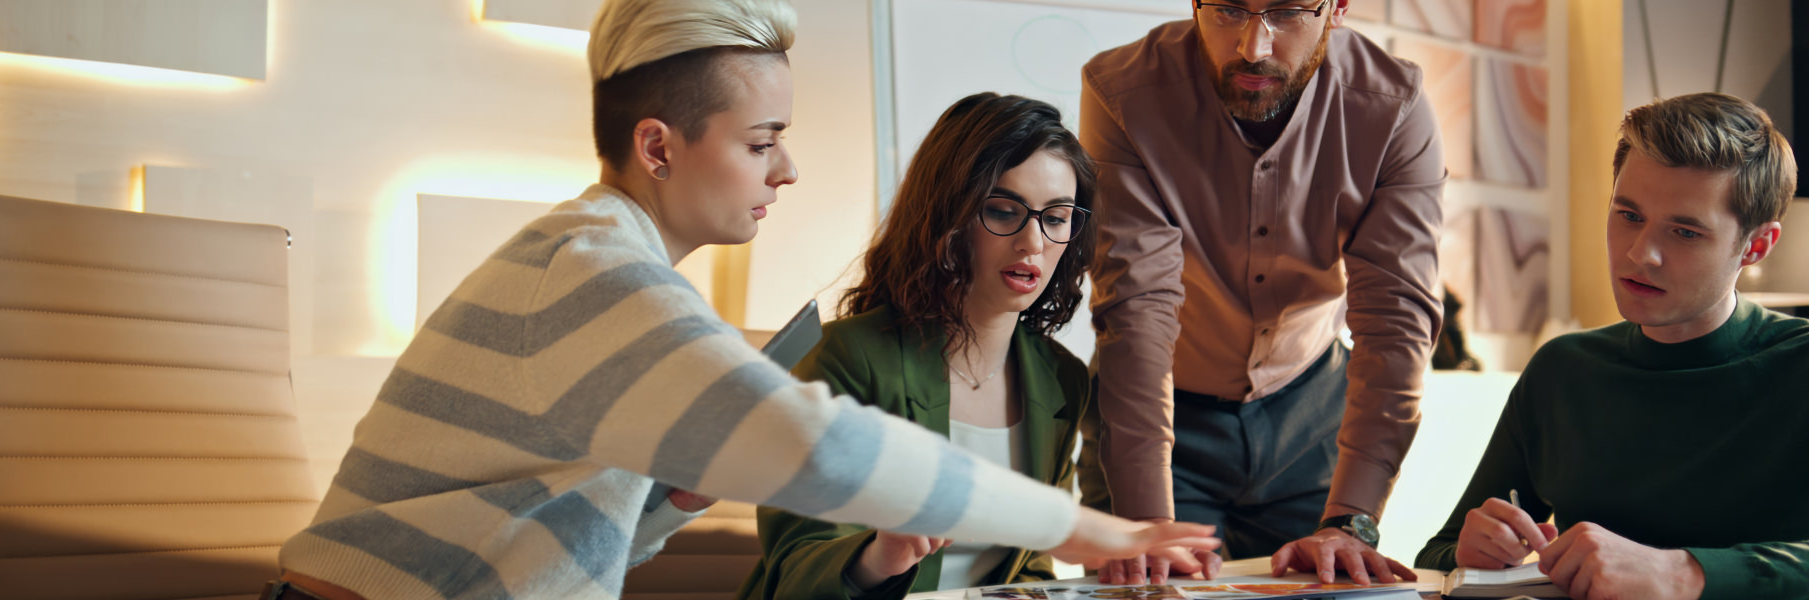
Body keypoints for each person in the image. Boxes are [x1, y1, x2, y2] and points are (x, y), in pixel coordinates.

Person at [266, 2, 1218, 598]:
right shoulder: (592, 273)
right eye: (763, 141)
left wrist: (670, 503)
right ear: (658, 146)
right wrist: (1100, 533)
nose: (789, 168)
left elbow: (546, 534)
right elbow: (821, 445)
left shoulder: (604, 263)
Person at [1414, 93, 1809, 599]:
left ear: (1756, 245)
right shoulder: (1562, 370)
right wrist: (1473, 550)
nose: (1640, 254)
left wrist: (1687, 573)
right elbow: (1437, 554)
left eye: (1684, 232)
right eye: (1628, 215)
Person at [1078, 0, 1444, 585]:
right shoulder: (1124, 94)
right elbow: (1136, 308)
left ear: (1338, 8)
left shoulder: (1392, 108)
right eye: (1227, 10)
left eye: (1289, 11)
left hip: (1314, 420)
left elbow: (1396, 318)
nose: (1255, 45)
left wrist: (1353, 520)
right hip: (1160, 414)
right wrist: (1147, 522)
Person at [738, 92, 1138, 599]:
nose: (1034, 243)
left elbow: (1029, 568)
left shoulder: (1061, 377)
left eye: (1056, 218)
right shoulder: (844, 357)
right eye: (1002, 210)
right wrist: (881, 556)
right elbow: (794, 566)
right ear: (948, 214)